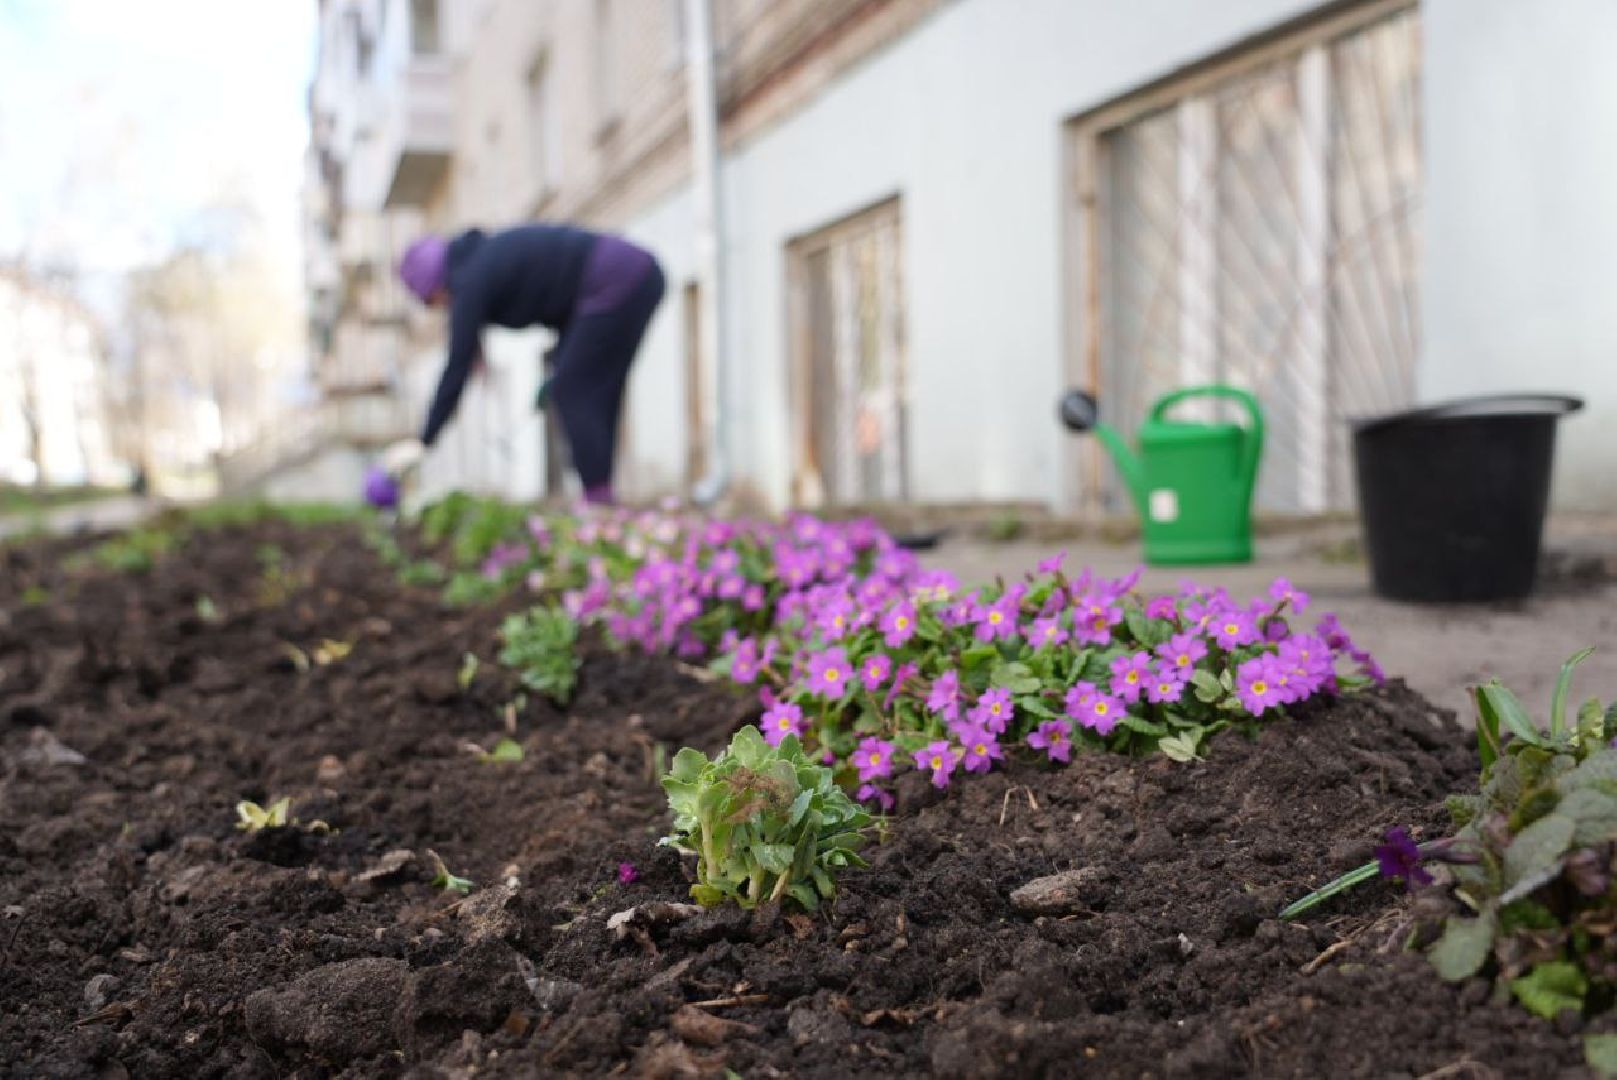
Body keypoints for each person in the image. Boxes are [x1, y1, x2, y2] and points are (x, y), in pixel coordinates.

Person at [380, 224, 665, 506]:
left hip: (615, 278)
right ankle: (601, 496)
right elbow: (563, 302)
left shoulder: (471, 280)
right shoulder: (481, 262)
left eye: (433, 300)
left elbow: (457, 365)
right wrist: (562, 361)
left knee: (574, 390)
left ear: (436, 282)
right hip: (632, 274)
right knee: (591, 391)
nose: (441, 306)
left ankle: (600, 506)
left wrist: (424, 440)